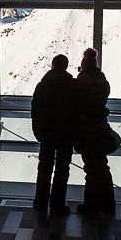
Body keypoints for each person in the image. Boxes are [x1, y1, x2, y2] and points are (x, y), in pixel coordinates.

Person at [31, 53, 78, 216]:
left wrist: (38, 131)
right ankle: (57, 204)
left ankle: (40, 202)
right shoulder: (73, 85)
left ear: (52, 65)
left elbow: (35, 110)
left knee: (44, 167)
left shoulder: (42, 85)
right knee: (62, 169)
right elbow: (77, 111)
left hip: (47, 133)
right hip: (66, 134)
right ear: (65, 66)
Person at [74, 47, 115, 216]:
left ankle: (91, 205)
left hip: (87, 131)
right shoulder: (103, 83)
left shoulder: (80, 84)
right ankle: (107, 203)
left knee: (91, 168)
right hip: (101, 130)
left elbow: (77, 106)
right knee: (101, 167)